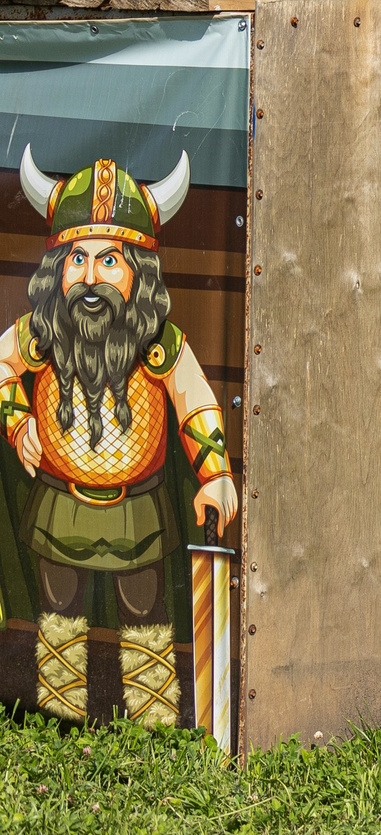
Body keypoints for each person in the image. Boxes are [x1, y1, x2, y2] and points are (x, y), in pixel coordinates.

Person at [0, 149, 235, 726]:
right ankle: (59, 716)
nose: (89, 277)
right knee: (58, 610)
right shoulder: (43, 333)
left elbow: (195, 403)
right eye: (77, 258)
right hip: (60, 503)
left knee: (145, 614)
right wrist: (18, 420)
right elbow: (0, 367)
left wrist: (217, 475)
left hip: (140, 510)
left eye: (109, 261)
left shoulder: (160, 343)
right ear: (58, 267)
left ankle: (150, 722)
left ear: (138, 270)